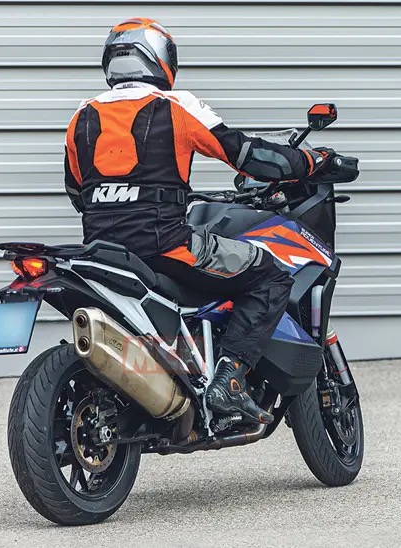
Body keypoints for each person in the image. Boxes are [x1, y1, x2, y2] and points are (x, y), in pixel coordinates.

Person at [63, 18, 332, 424]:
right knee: (272, 275)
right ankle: (231, 381)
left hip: (103, 249)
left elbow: (76, 192)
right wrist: (310, 161)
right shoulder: (175, 106)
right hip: (169, 245)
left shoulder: (81, 117)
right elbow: (249, 156)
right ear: (160, 58)